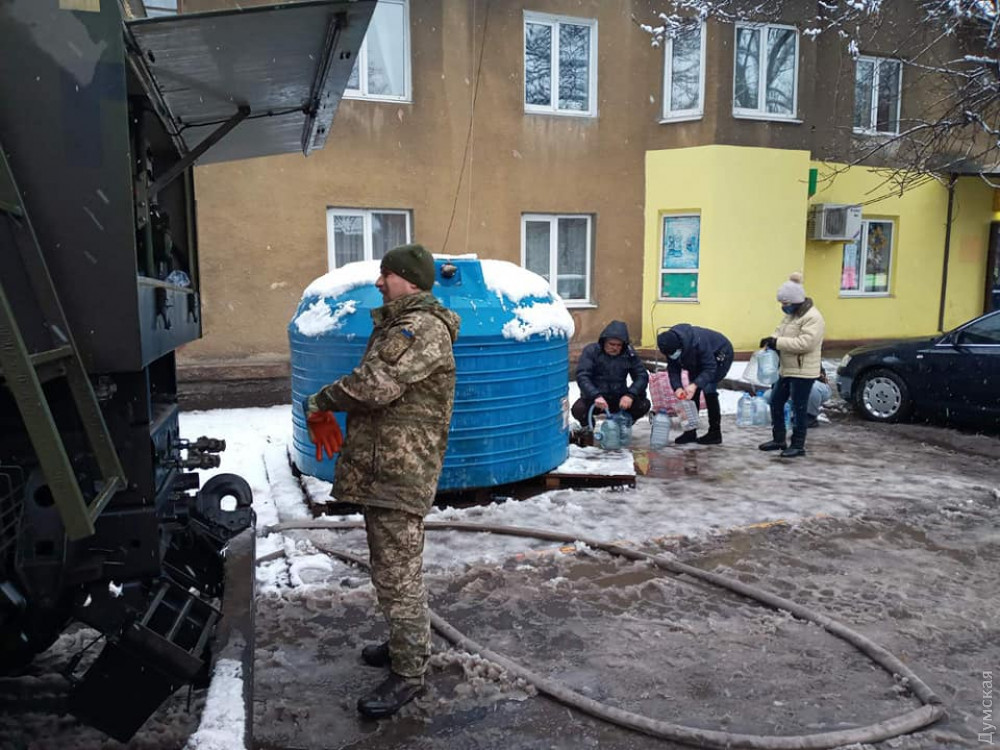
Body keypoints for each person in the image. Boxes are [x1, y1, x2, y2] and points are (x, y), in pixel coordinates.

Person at [303, 243, 460, 719]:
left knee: (397, 575)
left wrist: (321, 401)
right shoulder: (400, 324)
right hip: (385, 468)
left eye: (385, 275)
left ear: (408, 280)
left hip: (401, 471)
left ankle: (409, 672)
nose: (378, 283)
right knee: (389, 569)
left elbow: (376, 385)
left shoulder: (420, 327)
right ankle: (403, 644)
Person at [758, 272, 825, 458]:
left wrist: (778, 343)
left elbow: (806, 343)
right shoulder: (792, 316)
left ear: (796, 301)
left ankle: (798, 445)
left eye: (785, 303)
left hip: (803, 371)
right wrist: (771, 340)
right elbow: (780, 331)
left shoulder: (813, 317)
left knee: (799, 407)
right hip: (787, 369)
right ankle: (779, 439)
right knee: (776, 401)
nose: (783, 307)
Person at [656, 324, 734, 445]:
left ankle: (715, 433)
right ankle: (690, 432)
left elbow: (709, 368)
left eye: (673, 353)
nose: (672, 356)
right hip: (695, 359)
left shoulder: (698, 342)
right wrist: (677, 388)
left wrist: (695, 385)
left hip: (720, 353)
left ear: (680, 346)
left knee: (708, 387)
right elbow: (673, 370)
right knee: (691, 392)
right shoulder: (670, 345)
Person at [572, 321, 650, 428]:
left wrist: (630, 395)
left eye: (619, 345)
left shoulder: (629, 354)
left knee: (644, 404)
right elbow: (582, 376)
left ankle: (623, 424)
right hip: (596, 398)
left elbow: (641, 376)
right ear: (604, 342)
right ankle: (588, 428)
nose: (615, 348)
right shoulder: (592, 351)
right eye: (611, 344)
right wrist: (595, 395)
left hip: (619, 398)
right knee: (578, 409)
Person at [763, 367, 832, 428]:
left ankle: (810, 416)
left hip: (814, 385)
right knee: (768, 395)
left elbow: (814, 377)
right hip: (790, 386)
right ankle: (787, 414)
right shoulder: (781, 360)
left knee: (810, 388)